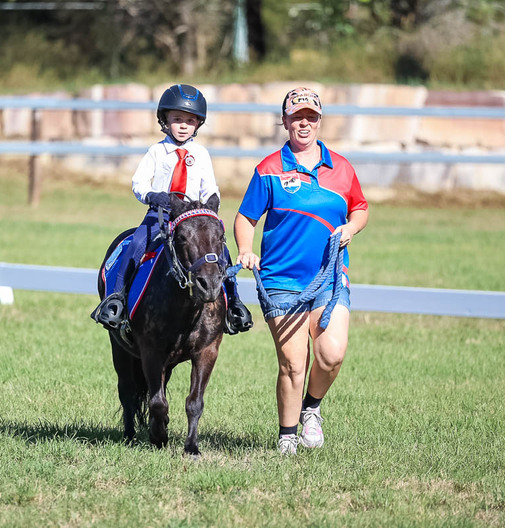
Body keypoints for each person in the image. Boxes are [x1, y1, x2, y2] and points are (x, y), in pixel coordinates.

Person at [233, 87, 369, 455]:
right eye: (297, 117)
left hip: (329, 277)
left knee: (331, 354)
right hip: (281, 281)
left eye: (311, 117)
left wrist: (351, 229)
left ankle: (312, 408)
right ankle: (287, 436)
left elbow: (360, 208)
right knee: (294, 364)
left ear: (320, 121)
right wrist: (246, 250)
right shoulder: (268, 169)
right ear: (285, 122)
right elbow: (246, 217)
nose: (304, 123)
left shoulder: (341, 168)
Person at [92, 83, 252, 335]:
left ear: (198, 124)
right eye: (177, 119)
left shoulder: (201, 154)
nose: (183, 125)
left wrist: (211, 204)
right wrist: (153, 195)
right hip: (162, 214)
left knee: (220, 250)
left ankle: (234, 303)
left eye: (190, 120)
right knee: (136, 244)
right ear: (165, 119)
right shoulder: (156, 152)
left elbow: (210, 186)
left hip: (193, 217)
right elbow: (138, 183)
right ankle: (116, 300)